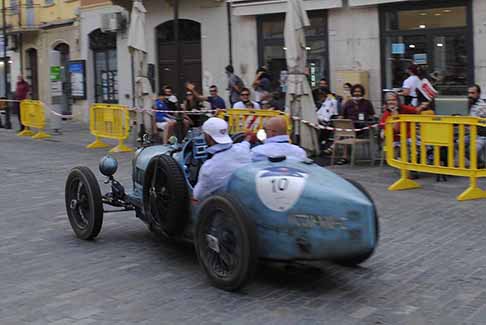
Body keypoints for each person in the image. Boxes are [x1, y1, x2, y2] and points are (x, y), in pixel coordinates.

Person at [193, 117, 252, 200]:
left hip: (224, 207)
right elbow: (246, 143)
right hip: (246, 198)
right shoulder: (243, 150)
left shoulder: (209, 168)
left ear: (208, 136)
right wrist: (248, 137)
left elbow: (197, 195)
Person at [468, 84, 486, 162]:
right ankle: (479, 163)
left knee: (472, 150)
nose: (469, 95)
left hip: (481, 135)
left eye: (472, 93)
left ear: (478, 94)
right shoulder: (471, 104)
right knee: (457, 144)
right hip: (471, 134)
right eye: (469, 93)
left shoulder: (482, 106)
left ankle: (479, 164)